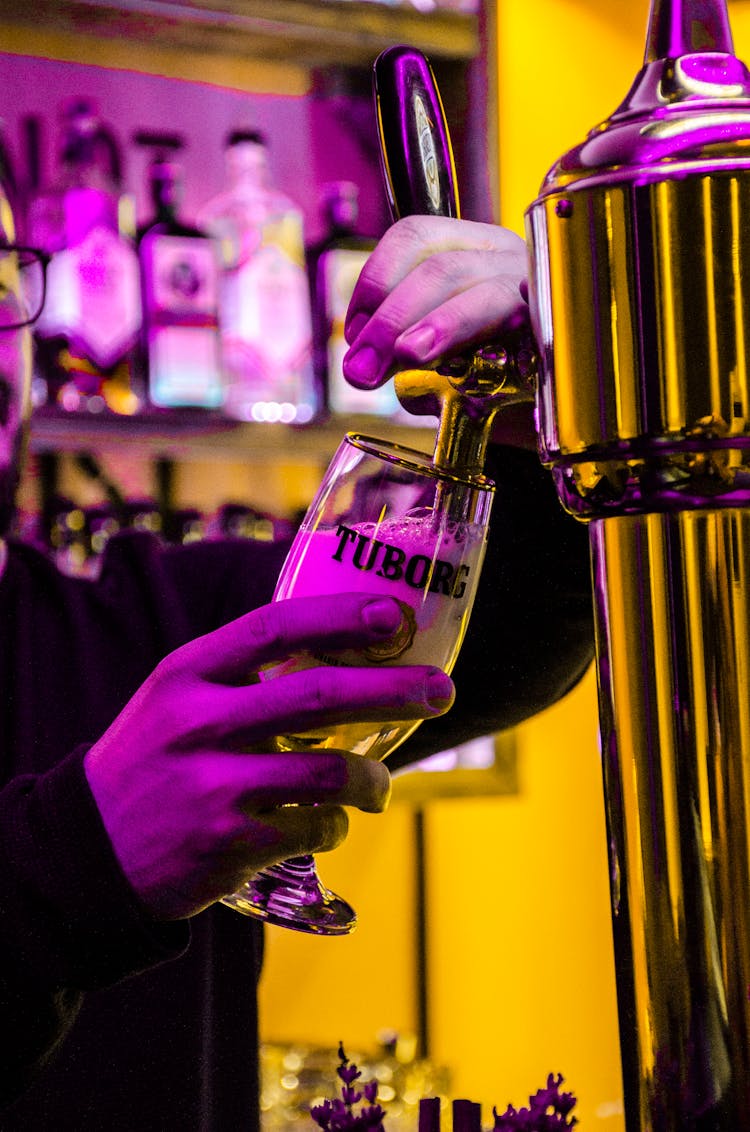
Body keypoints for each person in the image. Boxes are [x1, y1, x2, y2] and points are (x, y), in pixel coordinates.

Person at [0, 172, 594, 1131]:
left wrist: (540, 416)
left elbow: (519, 626)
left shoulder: (162, 629)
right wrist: (80, 864)